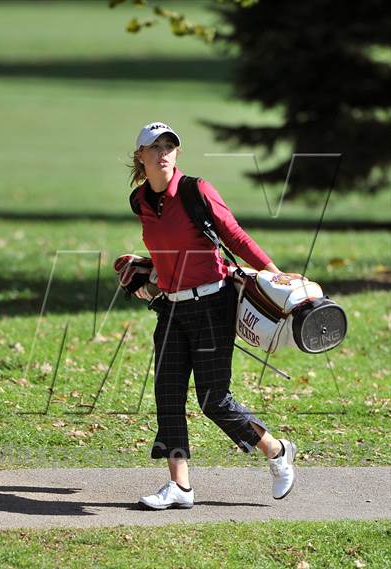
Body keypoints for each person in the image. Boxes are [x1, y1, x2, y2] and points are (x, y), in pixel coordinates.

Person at [128, 121, 299, 511]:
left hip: (212, 304)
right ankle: (180, 487)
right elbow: (166, 247)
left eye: (170, 147)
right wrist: (150, 276)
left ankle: (275, 450)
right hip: (171, 307)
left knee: (213, 398)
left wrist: (272, 271)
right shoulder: (140, 201)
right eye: (155, 148)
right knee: (168, 395)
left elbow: (235, 236)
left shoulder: (196, 190)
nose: (164, 153)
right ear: (141, 156)